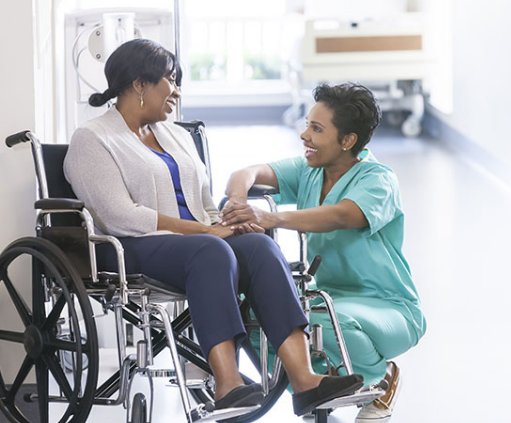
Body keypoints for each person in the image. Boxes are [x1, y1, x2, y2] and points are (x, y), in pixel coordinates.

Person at [63, 39, 363, 416]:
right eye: (170, 81)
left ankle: (304, 380)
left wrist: (225, 223)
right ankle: (227, 384)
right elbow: (121, 215)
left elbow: (203, 201)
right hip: (129, 246)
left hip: (196, 243)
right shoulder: (92, 139)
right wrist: (207, 233)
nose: (176, 91)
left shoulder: (175, 134)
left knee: (260, 246)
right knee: (212, 250)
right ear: (139, 84)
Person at [222, 82, 426, 422]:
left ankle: (381, 376)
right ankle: (314, 393)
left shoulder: (378, 180)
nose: (305, 136)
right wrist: (238, 202)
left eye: (317, 129)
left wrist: (271, 217)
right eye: (307, 125)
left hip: (387, 305)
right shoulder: (310, 170)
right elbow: (247, 173)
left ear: (347, 141)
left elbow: (343, 215)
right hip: (327, 297)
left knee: (321, 322)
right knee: (257, 323)